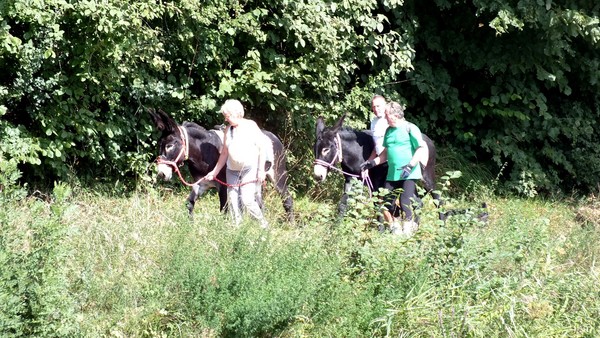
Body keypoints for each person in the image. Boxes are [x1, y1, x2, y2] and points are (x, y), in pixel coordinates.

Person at [360, 101, 428, 236]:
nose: (385, 118)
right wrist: (371, 163)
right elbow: (385, 153)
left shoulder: (410, 128)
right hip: (392, 174)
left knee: (405, 202)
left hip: (409, 173)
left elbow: (420, 148)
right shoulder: (388, 131)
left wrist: (410, 165)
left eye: (386, 115)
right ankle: (396, 227)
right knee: (386, 201)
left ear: (394, 114)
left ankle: (408, 231)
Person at [204, 99, 269, 228]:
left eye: (227, 116)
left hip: (248, 169)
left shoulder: (251, 126)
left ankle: (263, 224)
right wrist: (214, 172)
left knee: (247, 200)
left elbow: (262, 148)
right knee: (233, 201)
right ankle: (236, 229)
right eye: (225, 117)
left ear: (235, 113)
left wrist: (261, 171)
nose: (226, 119)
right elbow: (224, 154)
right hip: (232, 170)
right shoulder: (228, 130)